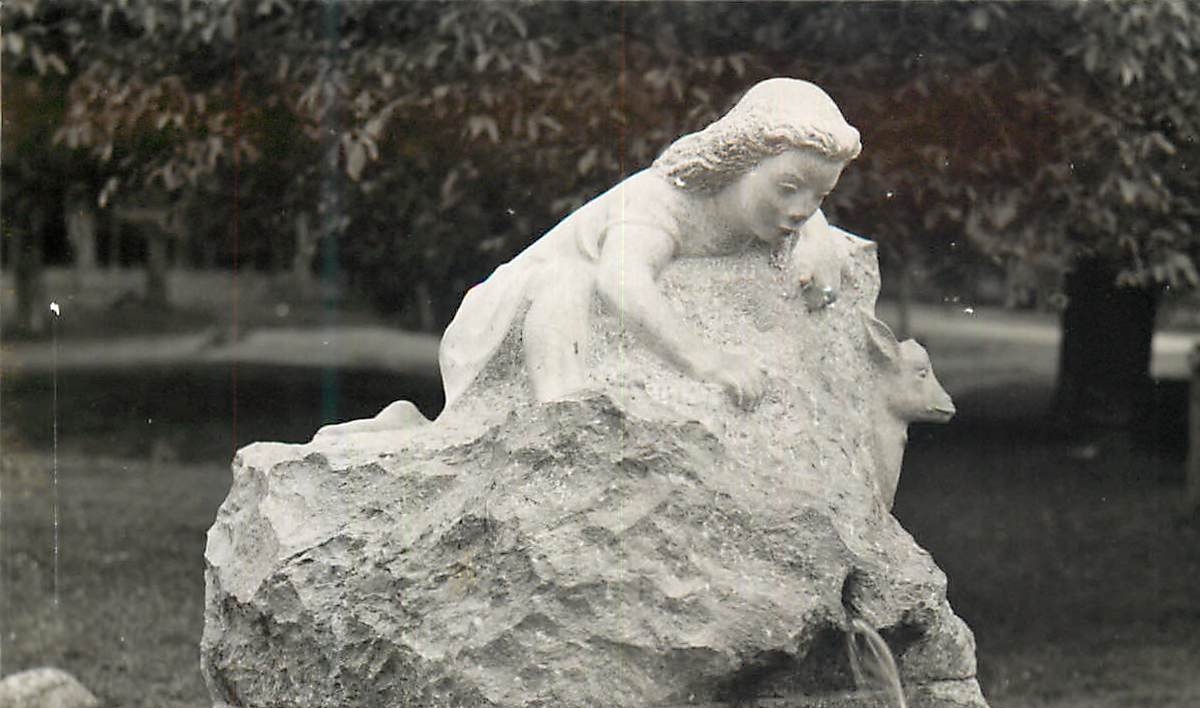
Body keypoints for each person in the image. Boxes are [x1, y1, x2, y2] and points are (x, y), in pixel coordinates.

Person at [316, 78, 860, 440]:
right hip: (505, 321)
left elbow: (807, 214)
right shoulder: (662, 202)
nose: (799, 209)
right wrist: (708, 362)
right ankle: (562, 416)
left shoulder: (782, 211)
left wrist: (821, 238)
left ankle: (409, 425)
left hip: (587, 332)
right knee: (569, 277)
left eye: (820, 195)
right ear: (741, 159)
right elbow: (624, 284)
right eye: (789, 187)